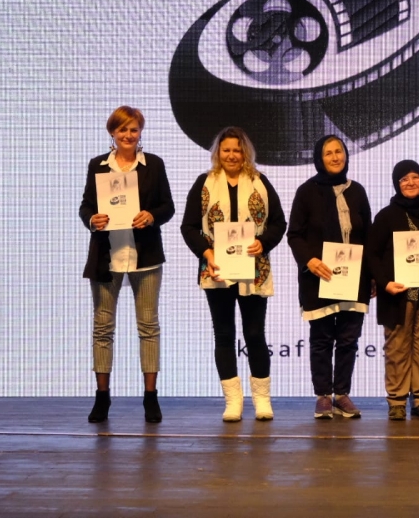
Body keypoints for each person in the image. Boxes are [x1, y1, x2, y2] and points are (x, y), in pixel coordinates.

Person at [181, 127, 286, 422]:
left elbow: (278, 222)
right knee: (224, 334)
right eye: (226, 150)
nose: (231, 155)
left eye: (237, 150)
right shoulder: (204, 183)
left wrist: (263, 242)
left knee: (254, 334)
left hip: (253, 270)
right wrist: (207, 253)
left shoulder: (260, 182)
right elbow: (189, 226)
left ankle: (262, 400)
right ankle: (233, 402)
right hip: (217, 270)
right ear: (218, 152)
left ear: (245, 152)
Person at [79, 106, 175, 424]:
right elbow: (86, 207)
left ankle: (150, 398)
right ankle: (102, 397)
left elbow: (168, 206)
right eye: (123, 129)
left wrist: (152, 215)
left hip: (145, 257)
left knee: (148, 327)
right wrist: (92, 219)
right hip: (106, 257)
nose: (128, 135)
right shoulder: (98, 165)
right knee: (102, 328)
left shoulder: (154, 164)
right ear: (112, 132)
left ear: (140, 132)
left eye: (134, 129)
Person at [287, 135, 372, 419]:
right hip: (319, 278)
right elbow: (294, 235)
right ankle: (323, 395)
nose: (335, 157)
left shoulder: (357, 191)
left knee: (348, 340)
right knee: (322, 339)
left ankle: (342, 395)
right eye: (328, 153)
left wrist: (372, 276)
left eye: (339, 151)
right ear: (319, 158)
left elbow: (368, 235)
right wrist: (309, 260)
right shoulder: (306, 191)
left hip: (354, 278)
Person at [365, 160, 419, 421]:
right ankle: (397, 400)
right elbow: (372, 254)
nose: (411, 183)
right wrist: (384, 282)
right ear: (396, 184)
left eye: (415, 177)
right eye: (404, 179)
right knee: (397, 349)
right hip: (398, 295)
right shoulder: (386, 216)